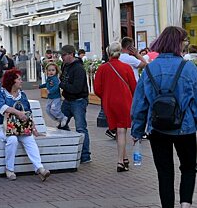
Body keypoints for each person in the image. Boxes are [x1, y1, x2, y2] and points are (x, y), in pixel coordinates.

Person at [132, 26, 197, 208]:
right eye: (184, 40)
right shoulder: (189, 68)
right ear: (178, 43)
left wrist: (137, 130)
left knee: (164, 172)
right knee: (189, 167)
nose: (186, 44)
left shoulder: (150, 69)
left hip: (158, 128)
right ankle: (185, 204)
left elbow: (140, 104)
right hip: (185, 127)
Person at [0, 69, 50, 181]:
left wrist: (33, 128)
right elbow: (1, 107)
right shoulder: (1, 94)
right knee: (12, 139)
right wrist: (17, 112)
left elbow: (28, 112)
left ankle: (39, 168)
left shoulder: (22, 95)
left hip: (18, 127)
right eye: (19, 79)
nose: (21, 81)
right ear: (12, 81)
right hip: (1, 127)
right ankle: (9, 169)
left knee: (29, 138)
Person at [94, 42, 137, 172]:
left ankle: (124, 158)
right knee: (122, 130)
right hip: (124, 101)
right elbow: (134, 87)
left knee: (118, 130)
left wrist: (106, 96)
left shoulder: (102, 68)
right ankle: (120, 161)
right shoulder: (126, 67)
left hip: (109, 102)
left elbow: (97, 89)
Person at [59, 45, 91, 164]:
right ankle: (68, 150)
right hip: (68, 100)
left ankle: (85, 155)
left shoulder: (78, 69)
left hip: (78, 100)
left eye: (64, 55)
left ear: (71, 54)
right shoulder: (65, 66)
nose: (62, 58)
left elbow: (77, 88)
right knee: (61, 124)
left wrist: (62, 85)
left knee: (81, 128)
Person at [39, 62, 67, 128]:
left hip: (56, 97)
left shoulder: (55, 79)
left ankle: (62, 117)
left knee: (54, 109)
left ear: (56, 71)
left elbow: (56, 86)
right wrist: (41, 86)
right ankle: (57, 119)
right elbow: (47, 84)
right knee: (47, 109)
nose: (51, 72)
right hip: (50, 97)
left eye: (53, 70)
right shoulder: (49, 78)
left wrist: (50, 91)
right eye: (49, 70)